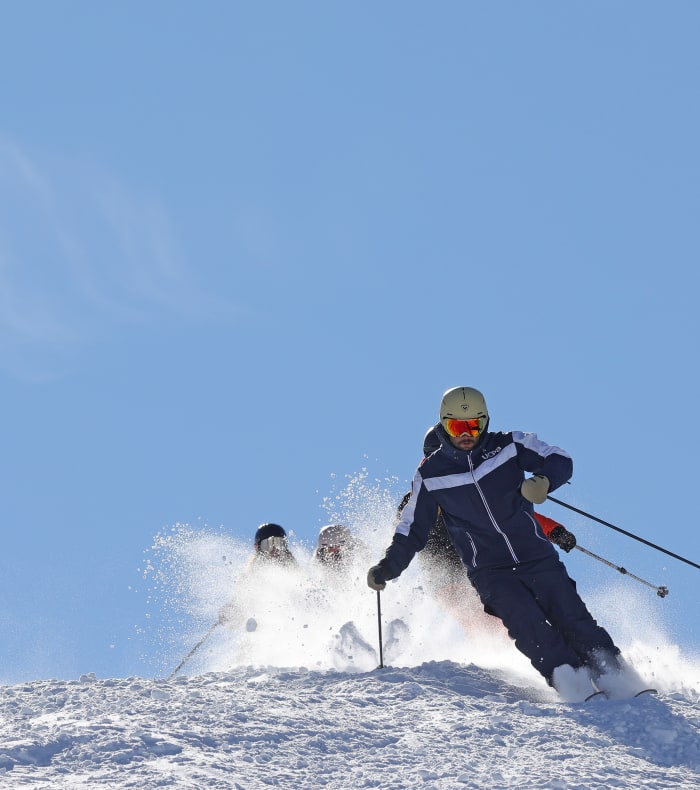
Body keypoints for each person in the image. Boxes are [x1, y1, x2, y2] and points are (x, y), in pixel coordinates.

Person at [368, 386, 622, 694]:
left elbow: (557, 459)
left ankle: (614, 675)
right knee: (529, 627)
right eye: (457, 426)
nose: (466, 433)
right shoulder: (431, 475)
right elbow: (412, 529)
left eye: (474, 425)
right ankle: (573, 681)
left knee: (571, 615)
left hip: (535, 556)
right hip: (487, 571)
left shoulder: (509, 447)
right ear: (444, 424)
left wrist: (543, 481)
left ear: (485, 421)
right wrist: (389, 566)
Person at [400, 426, 578, 630]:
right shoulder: (422, 495)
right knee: (494, 619)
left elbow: (510, 515)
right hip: (451, 578)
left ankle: (539, 646)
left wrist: (554, 531)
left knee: (513, 611)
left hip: (482, 570)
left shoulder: (465, 489)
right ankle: (509, 652)